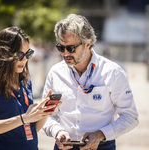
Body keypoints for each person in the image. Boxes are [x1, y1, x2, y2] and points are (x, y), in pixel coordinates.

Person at [42, 14, 139, 150]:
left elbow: (130, 116)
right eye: (61, 48)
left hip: (101, 146)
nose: (65, 53)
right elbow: (47, 114)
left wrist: (100, 135)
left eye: (70, 48)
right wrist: (57, 131)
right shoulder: (55, 73)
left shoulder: (112, 72)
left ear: (87, 44)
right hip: (63, 147)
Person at [0, 26, 60, 150]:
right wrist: (24, 118)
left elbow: (31, 129)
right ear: (4, 53)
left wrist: (45, 112)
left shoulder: (25, 82)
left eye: (28, 54)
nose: (25, 59)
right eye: (20, 54)